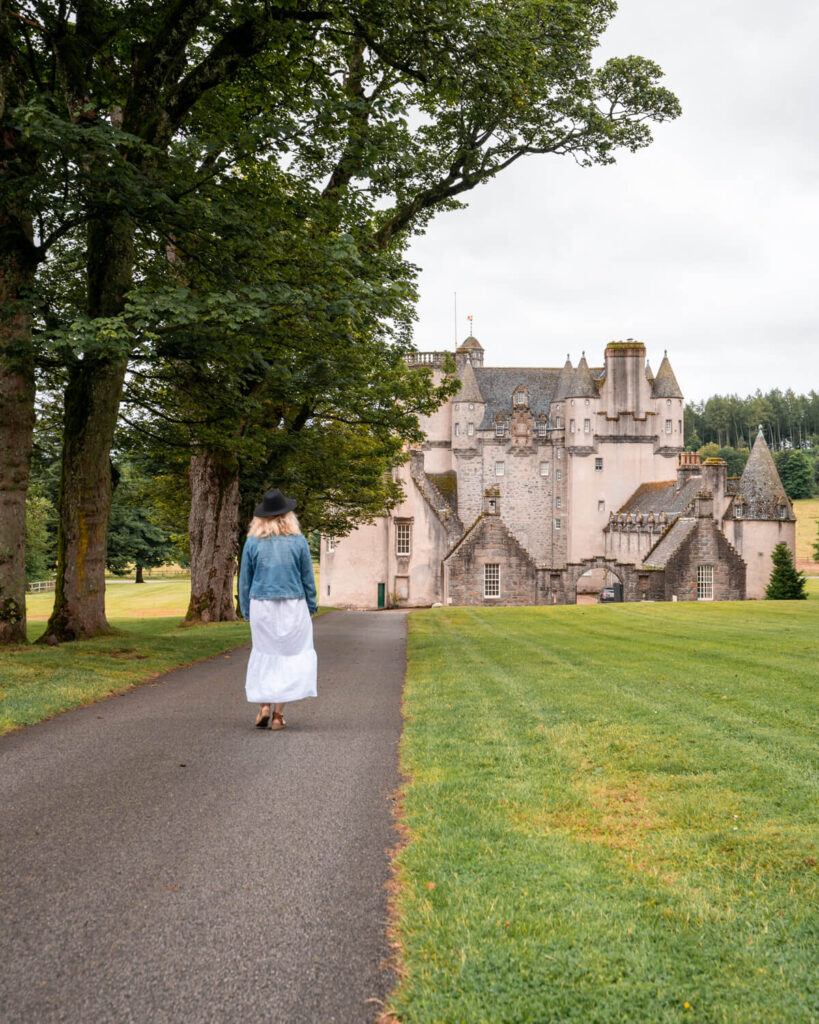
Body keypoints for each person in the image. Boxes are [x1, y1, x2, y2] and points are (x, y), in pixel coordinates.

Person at [238, 487, 318, 731]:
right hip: (293, 605)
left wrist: (246, 610)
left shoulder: (252, 542)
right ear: (288, 515)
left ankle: (264, 706)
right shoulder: (298, 541)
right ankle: (277, 716)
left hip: (262, 605)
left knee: (265, 654)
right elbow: (307, 577)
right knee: (289, 658)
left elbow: (245, 580)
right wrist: (312, 605)